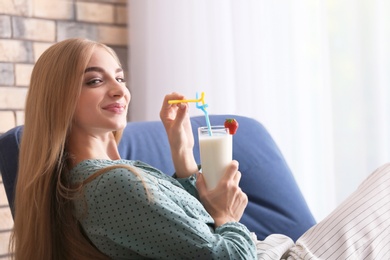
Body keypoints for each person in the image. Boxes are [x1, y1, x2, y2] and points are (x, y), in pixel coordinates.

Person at [10, 38, 390, 260]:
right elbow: (221, 250)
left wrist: (182, 150)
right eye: (95, 80)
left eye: (120, 78)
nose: (119, 89)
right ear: (58, 99)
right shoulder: (109, 186)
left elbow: (185, 228)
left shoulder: (112, 177)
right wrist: (227, 217)